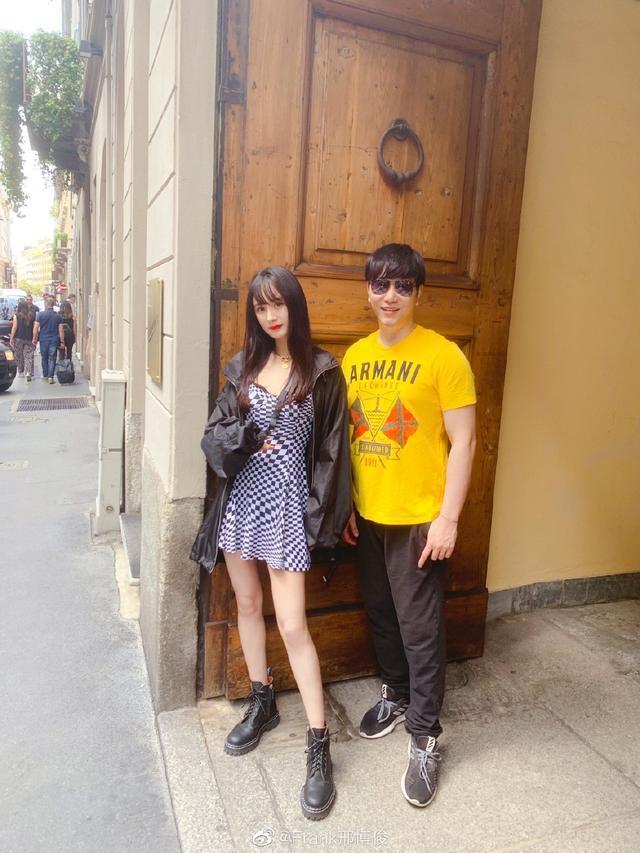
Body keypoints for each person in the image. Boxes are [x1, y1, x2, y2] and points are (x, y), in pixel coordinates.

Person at [191, 266, 351, 820]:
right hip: (242, 502)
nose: (271, 315)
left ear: (294, 305)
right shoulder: (244, 367)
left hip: (287, 509)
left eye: (278, 303)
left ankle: (319, 744)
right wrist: (242, 439)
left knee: (292, 624)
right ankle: (263, 702)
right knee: (248, 605)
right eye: (261, 307)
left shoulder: (322, 370)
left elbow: (333, 454)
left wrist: (324, 520)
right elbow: (214, 438)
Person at [341, 243, 477, 808]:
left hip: (420, 520)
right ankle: (395, 694)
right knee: (381, 616)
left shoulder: (444, 356)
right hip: (368, 514)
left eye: (402, 286)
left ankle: (425, 735)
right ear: (369, 291)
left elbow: (465, 441)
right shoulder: (353, 357)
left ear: (418, 292)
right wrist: (348, 505)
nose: (390, 296)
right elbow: (348, 437)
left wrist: (448, 518)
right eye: (381, 285)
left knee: (420, 630)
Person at [33, 295, 64, 384]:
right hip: (54, 339)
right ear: (53, 304)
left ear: (46, 304)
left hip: (43, 339)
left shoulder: (40, 315)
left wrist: (34, 338)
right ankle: (51, 376)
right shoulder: (58, 316)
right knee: (52, 358)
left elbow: (36, 327)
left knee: (44, 357)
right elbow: (61, 330)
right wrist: (62, 341)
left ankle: (45, 375)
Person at [9, 300, 36, 381]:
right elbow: (34, 327)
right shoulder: (31, 315)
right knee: (29, 356)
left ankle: (21, 371)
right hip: (29, 338)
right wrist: (35, 337)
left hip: (18, 338)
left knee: (19, 355)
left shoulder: (16, 315)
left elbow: (14, 327)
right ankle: (28, 372)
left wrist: (11, 338)